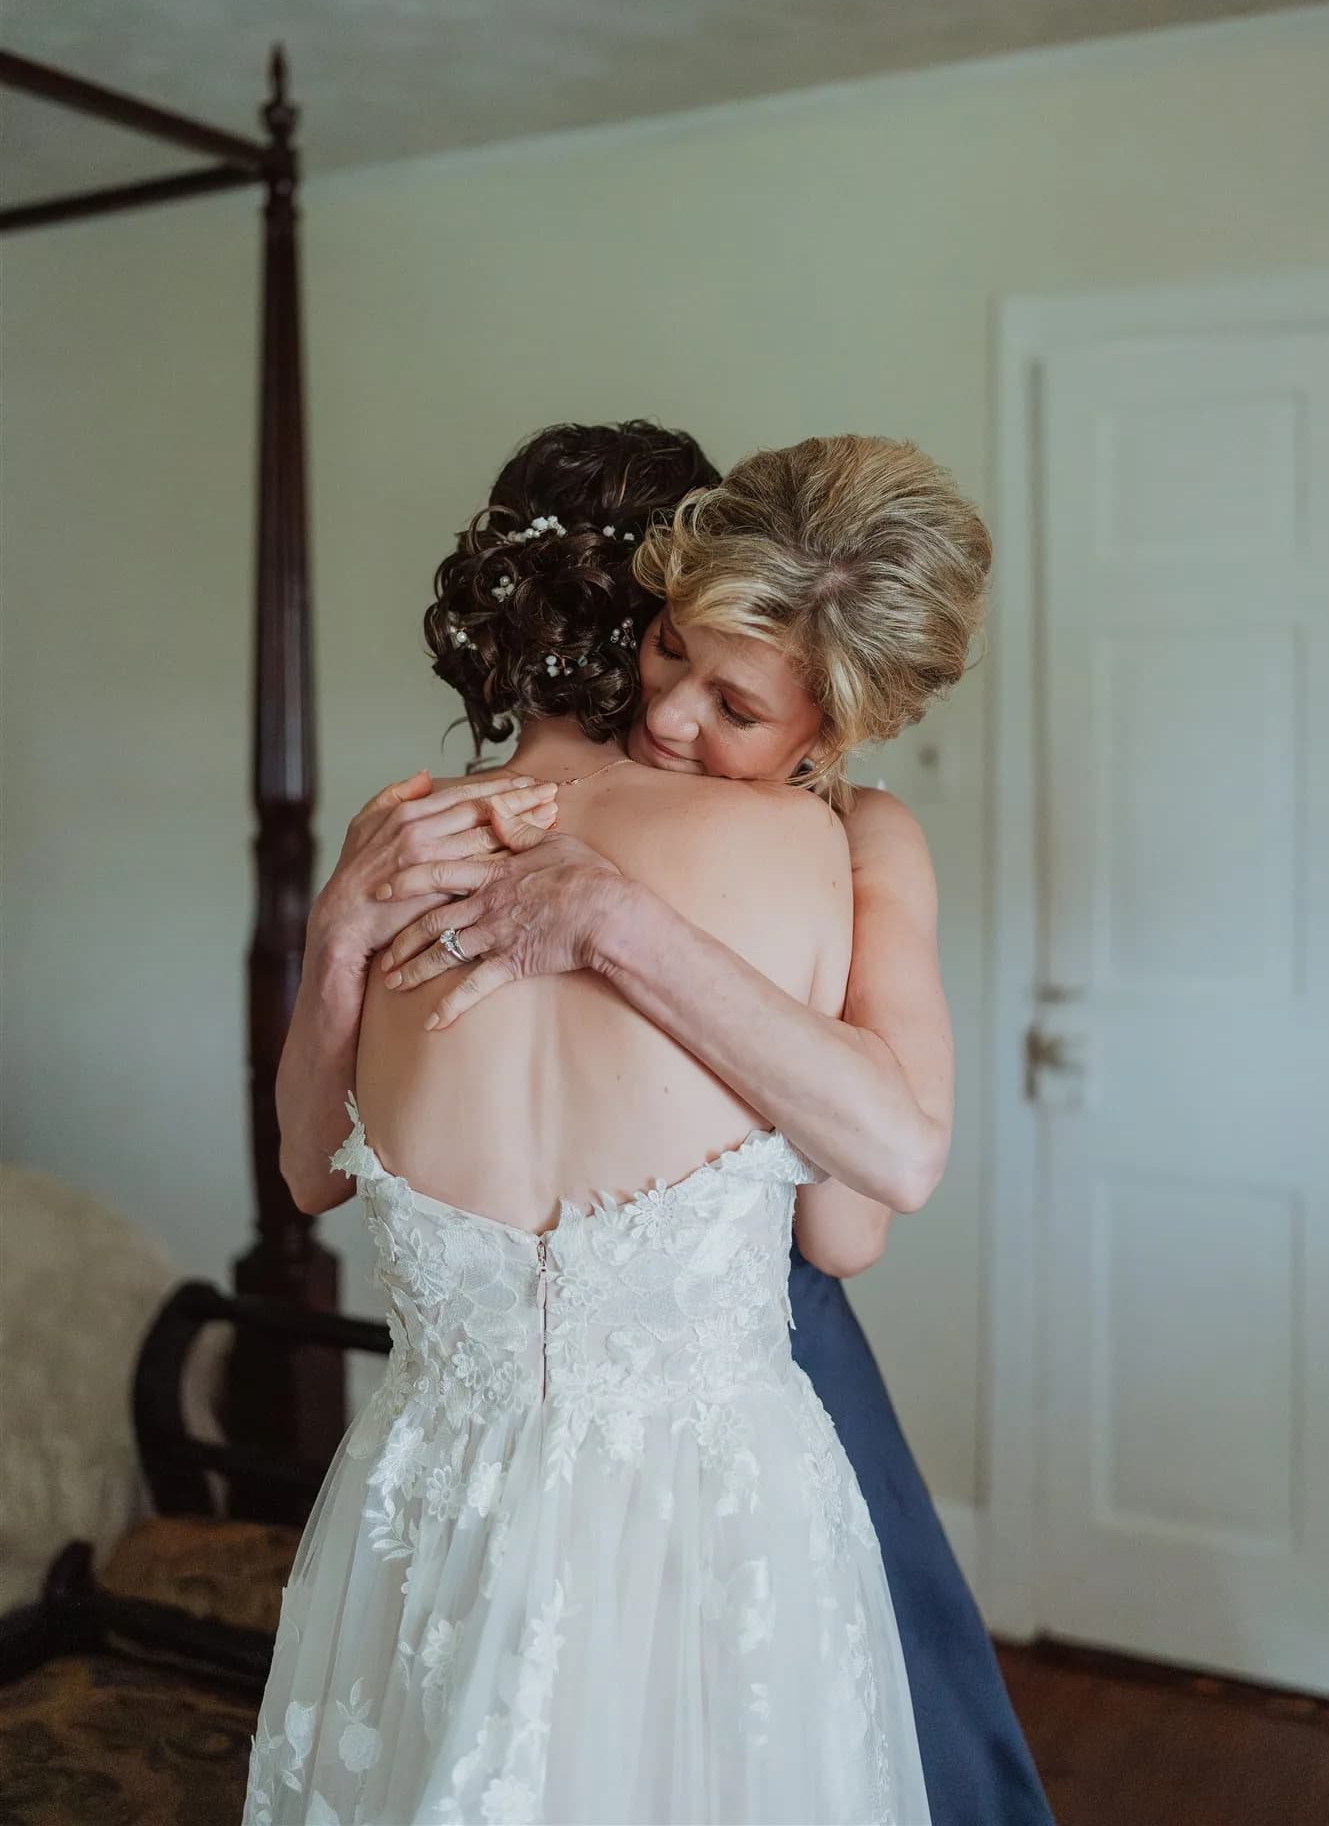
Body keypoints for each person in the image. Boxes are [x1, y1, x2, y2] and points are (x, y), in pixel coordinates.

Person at [274, 423, 1054, 1826]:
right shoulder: (446, 844)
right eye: (668, 651)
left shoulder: (853, 839)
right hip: (548, 1459)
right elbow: (839, 1221)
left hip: (564, 1457)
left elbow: (880, 1176)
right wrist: (338, 929)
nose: (670, 716)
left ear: (839, 720)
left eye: (736, 709)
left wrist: (623, 925)